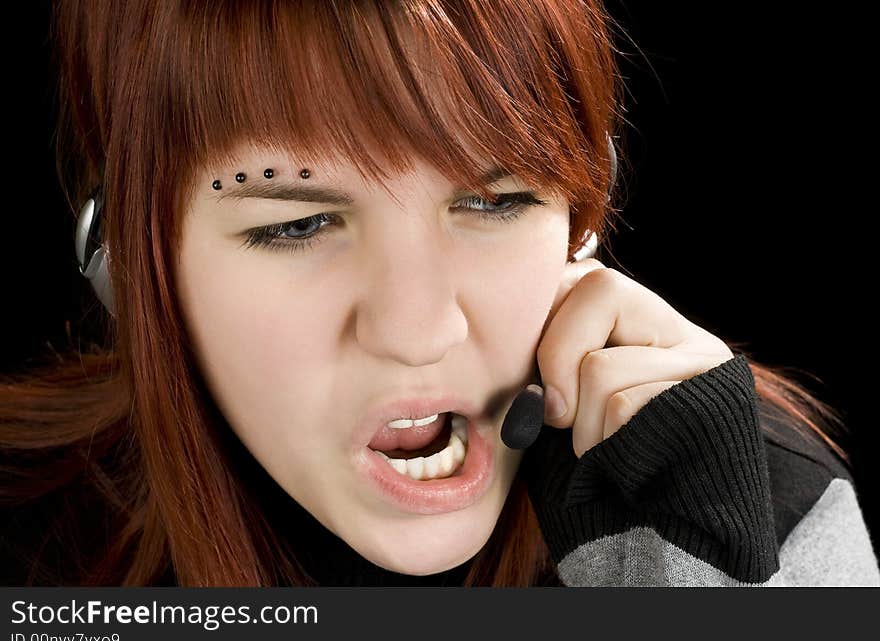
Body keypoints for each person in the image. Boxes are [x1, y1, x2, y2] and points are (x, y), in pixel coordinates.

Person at [1, 0, 877, 587]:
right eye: (297, 225)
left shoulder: (764, 503)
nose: (418, 331)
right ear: (127, 267)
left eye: (496, 202)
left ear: (582, 221)